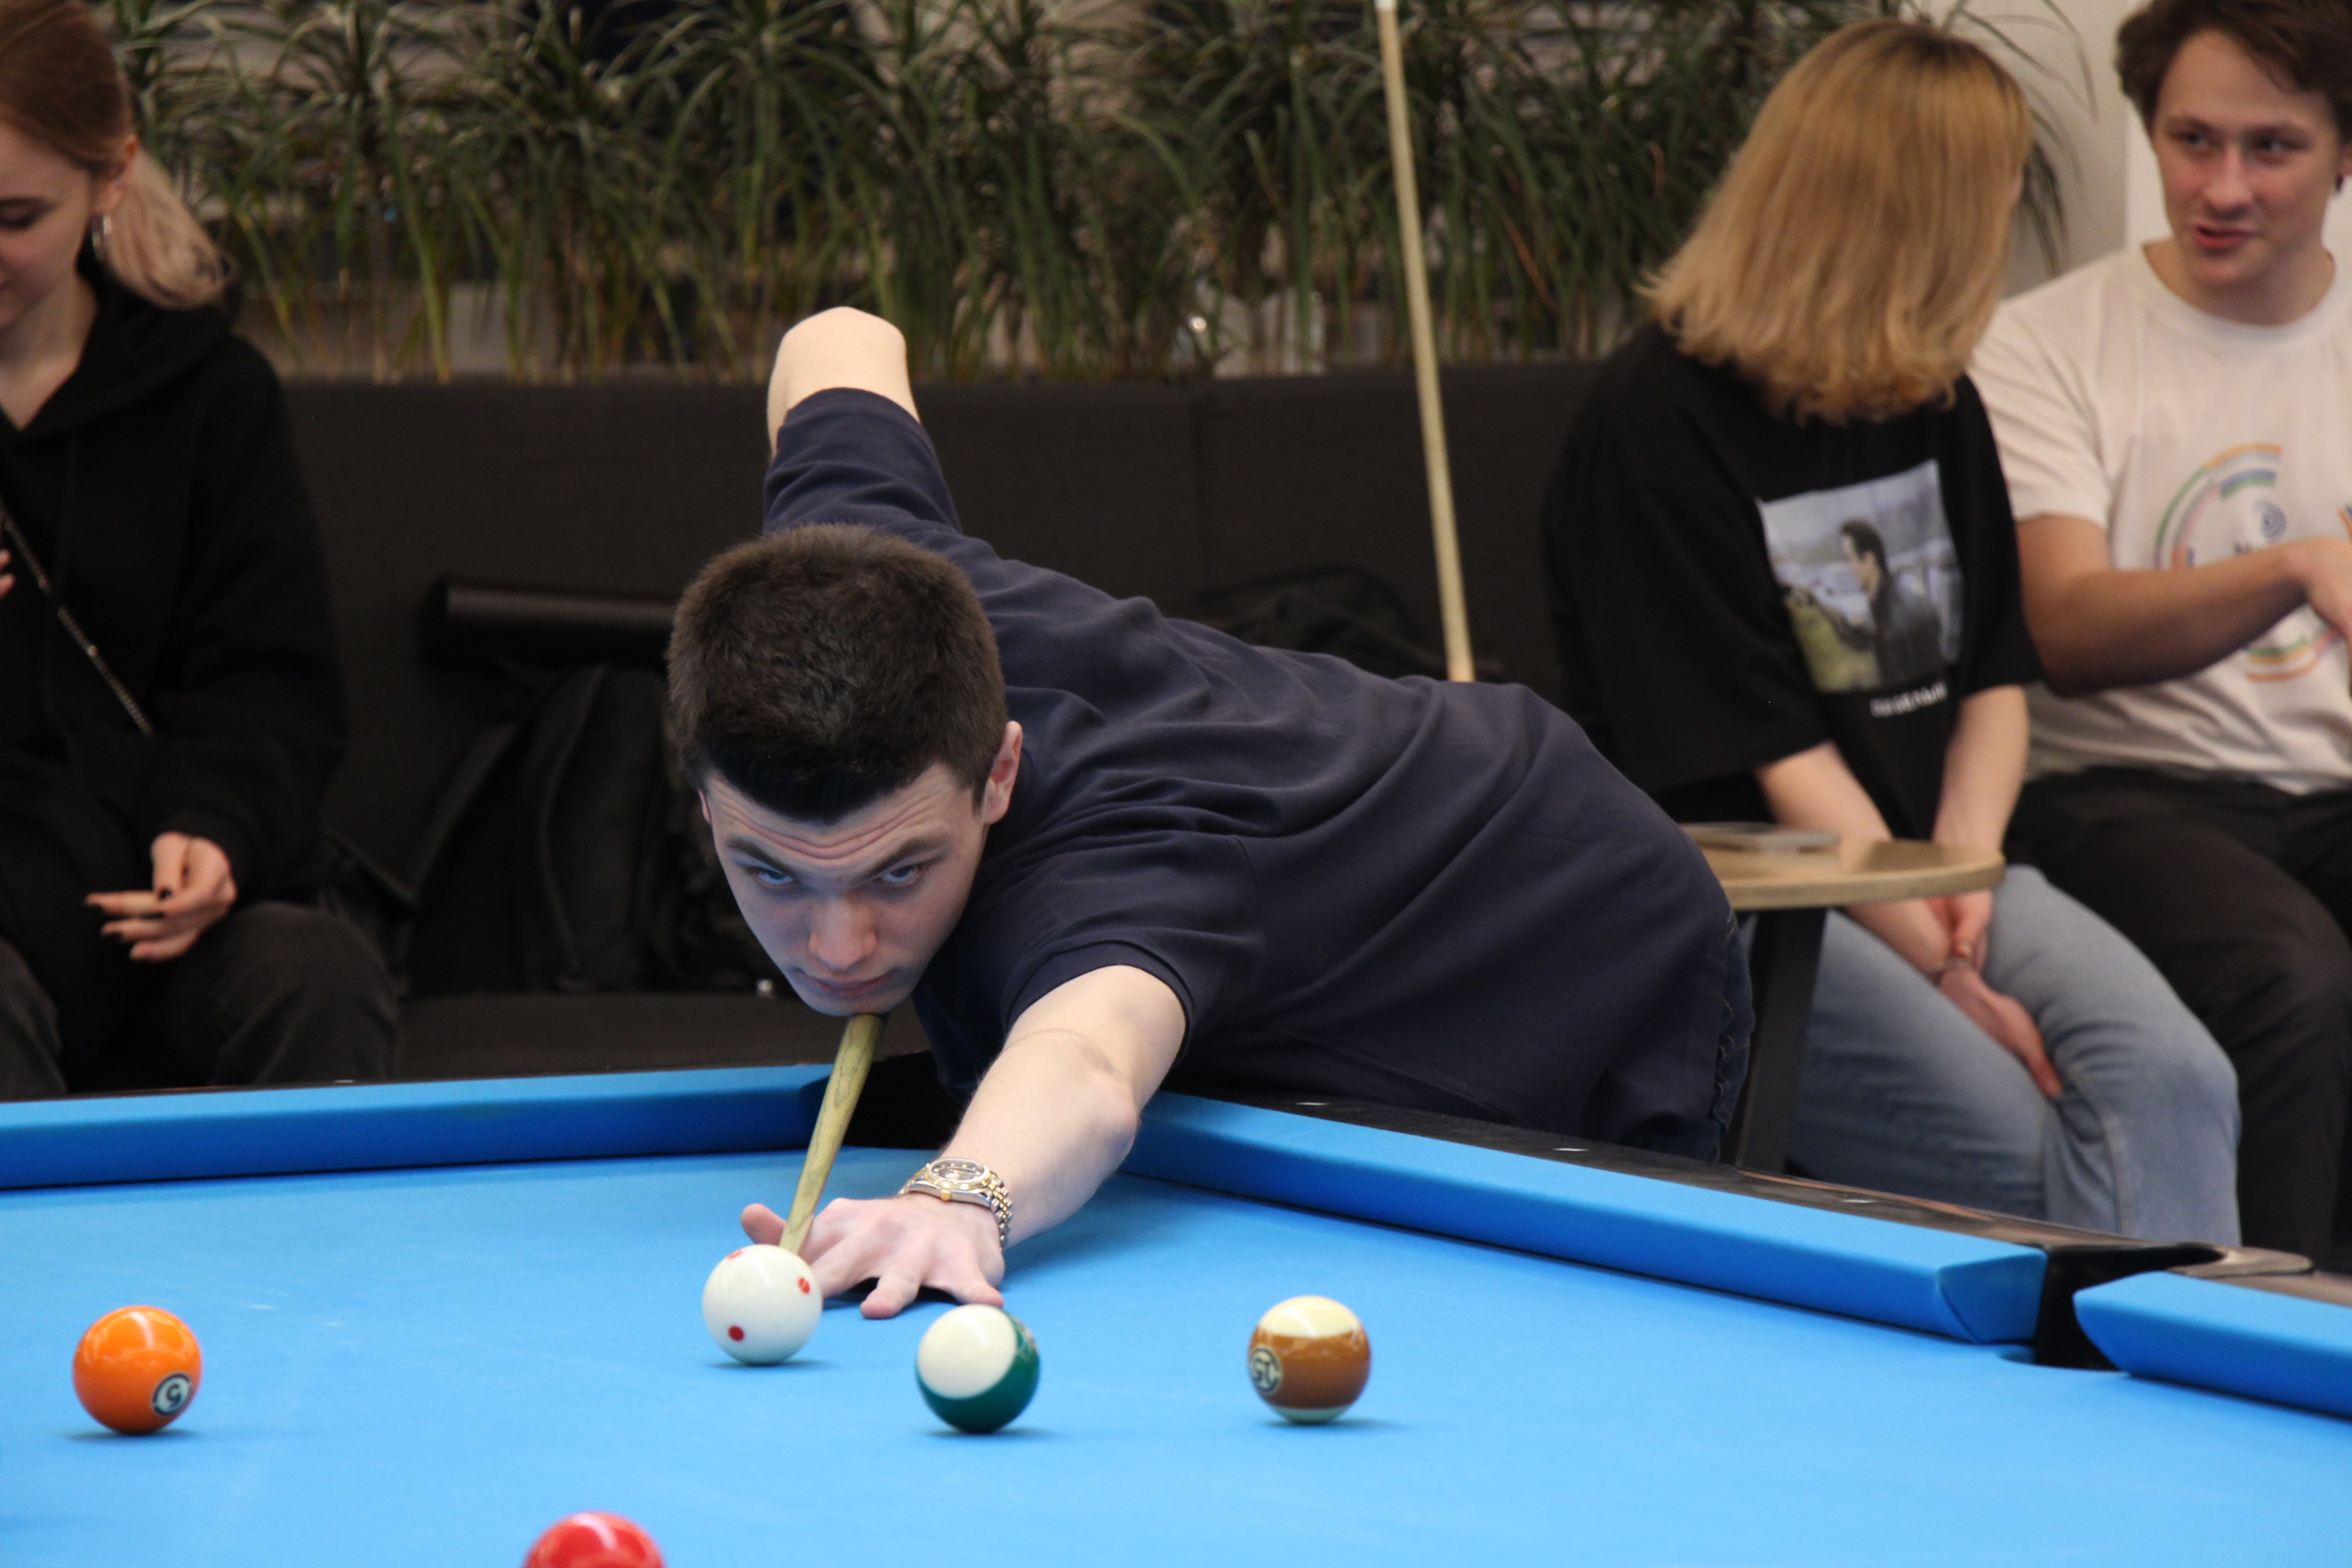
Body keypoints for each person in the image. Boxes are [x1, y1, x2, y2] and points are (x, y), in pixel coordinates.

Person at [669, 306, 1749, 1318]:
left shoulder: (1109, 868)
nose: (839, 945)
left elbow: (1088, 1063)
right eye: (773, 873)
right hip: (1320, 851)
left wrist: (957, 1200)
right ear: (705, 798)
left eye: (899, 870)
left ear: (1000, 774)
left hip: (1556, 919)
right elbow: (838, 336)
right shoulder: (849, 576)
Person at [1544, 20, 2241, 1241]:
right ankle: (2105, 1354)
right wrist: (1945, 968)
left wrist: (1961, 881)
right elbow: (1781, 763)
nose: (2008, 218)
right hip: (1743, 905)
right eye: (1997, 193)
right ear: (1919, 216)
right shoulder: (1657, 420)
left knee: (2182, 1079)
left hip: (1934, 869)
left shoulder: (1932, 391)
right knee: (2024, 1154)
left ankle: (2160, 1347)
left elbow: (1992, 681)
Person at [1972, 0, 2352, 1259]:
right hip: (2123, 797)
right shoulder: (2043, 344)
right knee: (2289, 973)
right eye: (2192, 141)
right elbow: (2067, 629)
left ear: (2345, 154)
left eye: (2272, 147)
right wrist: (2295, 565)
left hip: (2334, 788)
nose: (2222, 187)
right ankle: (2263, 1335)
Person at [0, 0, 397, 1098]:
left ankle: (319, 1238)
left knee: (313, 979)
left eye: (15, 217)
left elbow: (269, 684)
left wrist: (215, 831)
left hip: (152, 896)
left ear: (112, 178)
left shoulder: (210, 397)